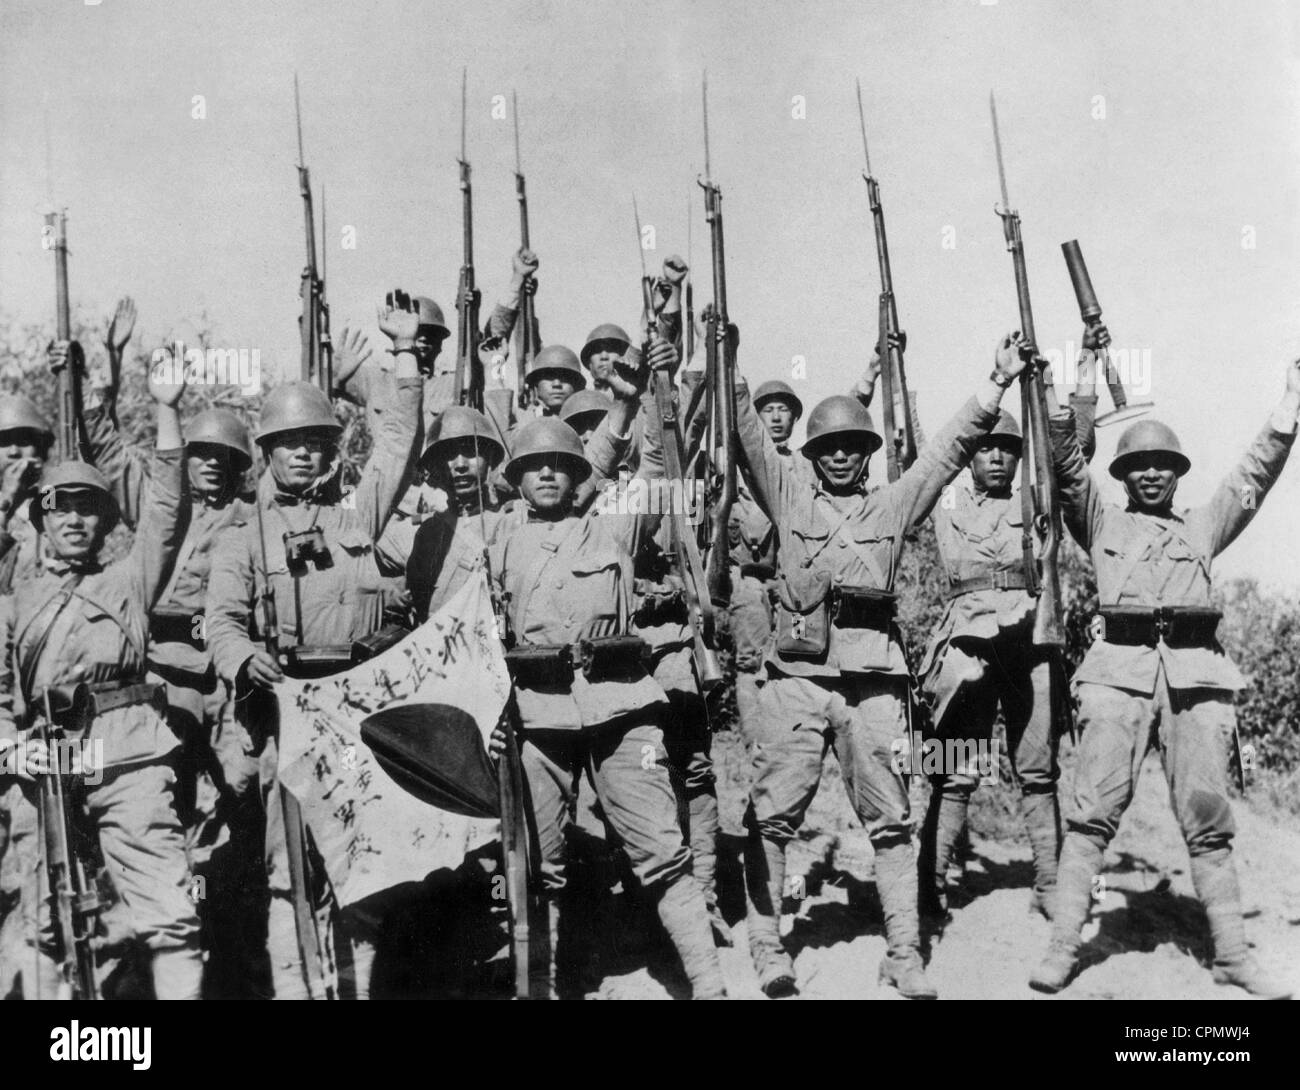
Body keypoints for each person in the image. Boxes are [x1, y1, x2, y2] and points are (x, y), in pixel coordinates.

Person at [732, 333, 1032, 999]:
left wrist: (996, 383)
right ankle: (766, 946)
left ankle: (903, 953)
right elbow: (747, 434)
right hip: (798, 680)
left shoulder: (893, 505)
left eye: (852, 446)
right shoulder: (788, 498)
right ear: (812, 457)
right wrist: (727, 361)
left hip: (874, 684)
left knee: (892, 821)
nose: (840, 454)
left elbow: (946, 453)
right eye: (828, 447)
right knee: (773, 814)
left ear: (868, 454)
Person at [1028, 358, 1300, 999]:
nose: (1151, 473)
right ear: (1121, 477)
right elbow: (1066, 468)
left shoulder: (1203, 528)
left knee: (1209, 820)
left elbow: (1252, 475)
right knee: (1093, 814)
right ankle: (1063, 946)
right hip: (1116, 681)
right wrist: (1067, 398)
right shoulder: (1100, 522)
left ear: (1178, 476)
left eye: (1163, 466)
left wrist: (1289, 405)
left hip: (1195, 684)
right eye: (1137, 466)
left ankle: (1232, 954)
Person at [485, 339, 727, 1000]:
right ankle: (546, 988)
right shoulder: (499, 534)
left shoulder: (612, 523)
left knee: (662, 849)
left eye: (560, 465)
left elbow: (651, 467)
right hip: (537, 714)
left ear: (577, 473)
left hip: (624, 707)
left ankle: (709, 985)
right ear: (517, 477)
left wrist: (638, 397)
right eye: (533, 467)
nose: (547, 476)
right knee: (543, 865)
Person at [205, 296, 421, 1000]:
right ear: (265, 451)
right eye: (289, 442)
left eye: (317, 441)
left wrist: (404, 356)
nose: (304, 451)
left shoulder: (356, 515)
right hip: (281, 713)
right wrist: (245, 660)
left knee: (356, 868)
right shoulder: (243, 534)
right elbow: (221, 623)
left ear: (332, 450)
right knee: (285, 875)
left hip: (352, 712)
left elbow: (398, 440)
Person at [0, 360, 202, 999]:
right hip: (43, 765)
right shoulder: (13, 600)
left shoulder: (127, 580)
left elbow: (168, 509)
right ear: (39, 521)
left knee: (170, 918)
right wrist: (9, 747)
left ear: (106, 521)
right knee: (35, 922)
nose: (75, 521)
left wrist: (167, 409)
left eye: (90, 510)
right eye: (59, 510)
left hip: (128, 754)